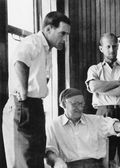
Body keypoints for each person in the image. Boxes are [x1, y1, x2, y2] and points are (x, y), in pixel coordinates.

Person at [2, 11, 71, 168]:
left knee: (36, 157)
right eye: (62, 33)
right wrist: (23, 92)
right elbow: (19, 62)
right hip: (23, 105)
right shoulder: (33, 42)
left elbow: (41, 78)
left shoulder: (46, 51)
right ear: (48, 29)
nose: (65, 38)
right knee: (22, 160)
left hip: (35, 106)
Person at [85, 32, 120, 167]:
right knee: (103, 156)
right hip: (103, 114)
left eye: (114, 46)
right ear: (101, 48)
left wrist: (103, 91)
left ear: (118, 47)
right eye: (108, 46)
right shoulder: (94, 69)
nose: (111, 50)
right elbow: (93, 86)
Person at [45, 88, 120, 168]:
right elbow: (50, 151)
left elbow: (111, 125)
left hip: (96, 166)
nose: (79, 108)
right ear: (64, 104)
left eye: (81, 104)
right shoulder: (54, 125)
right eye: (75, 104)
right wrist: (56, 161)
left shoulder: (95, 120)